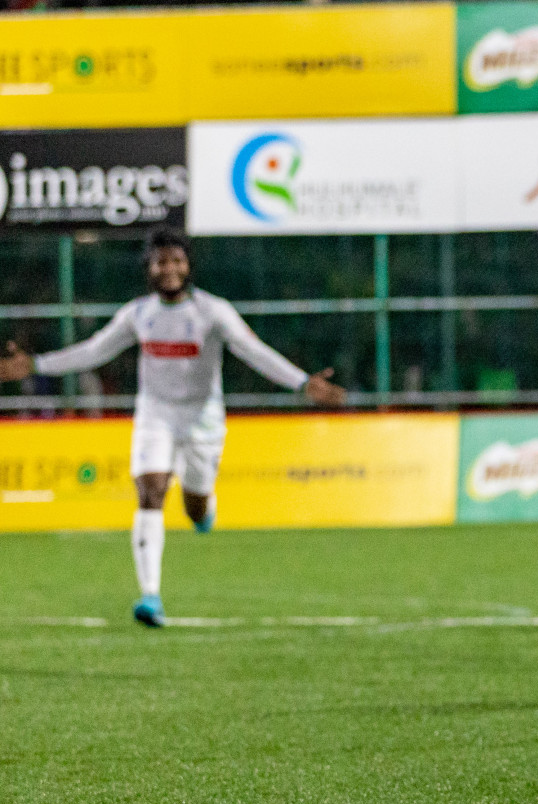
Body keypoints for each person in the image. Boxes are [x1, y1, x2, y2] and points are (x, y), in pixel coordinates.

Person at [0, 228, 346, 626]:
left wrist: (302, 382)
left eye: (177, 260)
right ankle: (150, 596)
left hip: (204, 418)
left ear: (188, 266)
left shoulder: (212, 312)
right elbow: (94, 350)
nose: (170, 269)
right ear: (149, 268)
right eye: (161, 261)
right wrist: (38, 364)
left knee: (194, 505)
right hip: (155, 414)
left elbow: (254, 352)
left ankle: (203, 507)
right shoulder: (139, 314)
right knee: (151, 491)